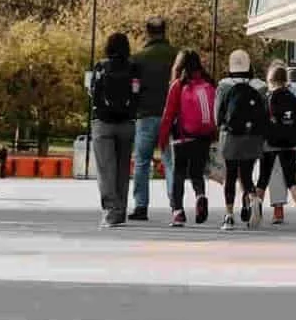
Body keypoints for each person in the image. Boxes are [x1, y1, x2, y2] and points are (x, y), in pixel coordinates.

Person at [86, 31, 141, 227]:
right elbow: (137, 93)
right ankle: (121, 210)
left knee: (105, 170)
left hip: (103, 123)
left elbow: (92, 91)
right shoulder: (133, 67)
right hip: (126, 123)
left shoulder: (100, 66)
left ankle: (110, 209)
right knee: (122, 169)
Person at [158, 48, 216, 227]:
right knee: (197, 173)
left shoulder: (178, 85)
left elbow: (168, 114)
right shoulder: (209, 83)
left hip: (182, 137)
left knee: (178, 173)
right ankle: (200, 196)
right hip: (203, 137)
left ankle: (178, 212)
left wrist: (162, 140)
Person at [214, 50, 269, 230]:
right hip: (253, 136)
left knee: (230, 175)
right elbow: (264, 113)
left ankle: (229, 216)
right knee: (246, 173)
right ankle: (252, 199)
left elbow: (218, 115)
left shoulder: (224, 86)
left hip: (230, 136)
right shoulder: (260, 86)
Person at [128, 17, 176, 221]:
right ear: (165, 31)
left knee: (141, 162)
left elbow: (133, 88)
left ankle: (141, 206)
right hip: (171, 116)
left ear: (147, 32)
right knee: (171, 161)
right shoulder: (176, 56)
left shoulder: (138, 58)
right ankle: (176, 205)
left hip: (145, 115)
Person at [259, 62, 296, 229]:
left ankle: (255, 209)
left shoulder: (268, 98)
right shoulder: (293, 98)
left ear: (270, 79)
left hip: (270, 145)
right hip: (289, 145)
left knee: (263, 180)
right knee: (292, 181)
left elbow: (263, 122)